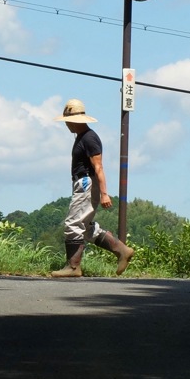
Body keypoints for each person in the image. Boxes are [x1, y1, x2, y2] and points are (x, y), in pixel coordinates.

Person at [51, 98, 134, 278]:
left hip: (86, 183)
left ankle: (73, 267)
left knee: (73, 223)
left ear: (75, 120)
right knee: (85, 227)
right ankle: (121, 250)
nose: (66, 124)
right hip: (82, 183)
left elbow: (98, 167)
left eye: (67, 121)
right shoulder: (82, 137)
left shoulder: (89, 138)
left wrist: (104, 193)